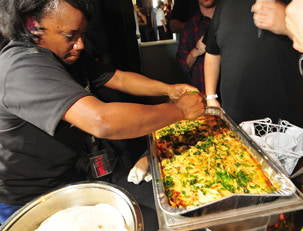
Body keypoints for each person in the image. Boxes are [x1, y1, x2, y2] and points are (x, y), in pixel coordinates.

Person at [0, 0, 206, 223]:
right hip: (31, 198)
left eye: (81, 35)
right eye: (70, 36)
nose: (80, 45)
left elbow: (117, 77)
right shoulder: (22, 67)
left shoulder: (66, 56)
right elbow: (102, 121)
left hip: (75, 174)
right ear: (31, 25)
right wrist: (179, 111)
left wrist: (169, 89)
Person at [204, 0, 303, 127]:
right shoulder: (225, 4)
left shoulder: (295, 4)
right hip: (234, 120)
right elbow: (212, 52)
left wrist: (286, 24)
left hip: (285, 124)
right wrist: (211, 97)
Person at [176, 0, 215, 92]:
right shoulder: (190, 27)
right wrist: (196, 51)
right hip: (202, 96)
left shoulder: (230, 22)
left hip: (232, 95)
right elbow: (183, 66)